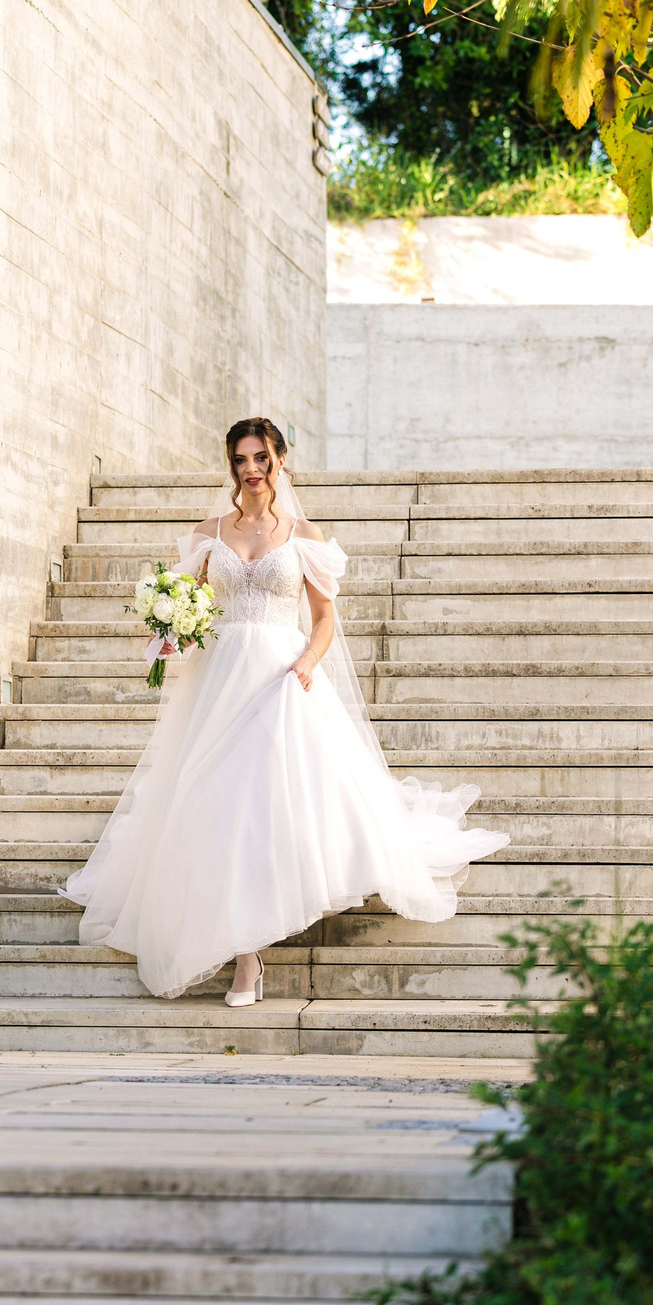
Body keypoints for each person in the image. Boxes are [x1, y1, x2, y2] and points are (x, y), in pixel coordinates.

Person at [62, 417, 510, 1005]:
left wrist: (308, 662)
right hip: (221, 679)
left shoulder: (305, 536)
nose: (251, 469)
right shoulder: (208, 533)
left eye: (261, 458)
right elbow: (194, 609)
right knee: (216, 804)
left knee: (269, 804)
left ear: (279, 460)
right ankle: (247, 958)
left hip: (283, 676)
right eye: (241, 460)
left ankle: (265, 924)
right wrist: (171, 630)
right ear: (231, 467)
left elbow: (324, 619)